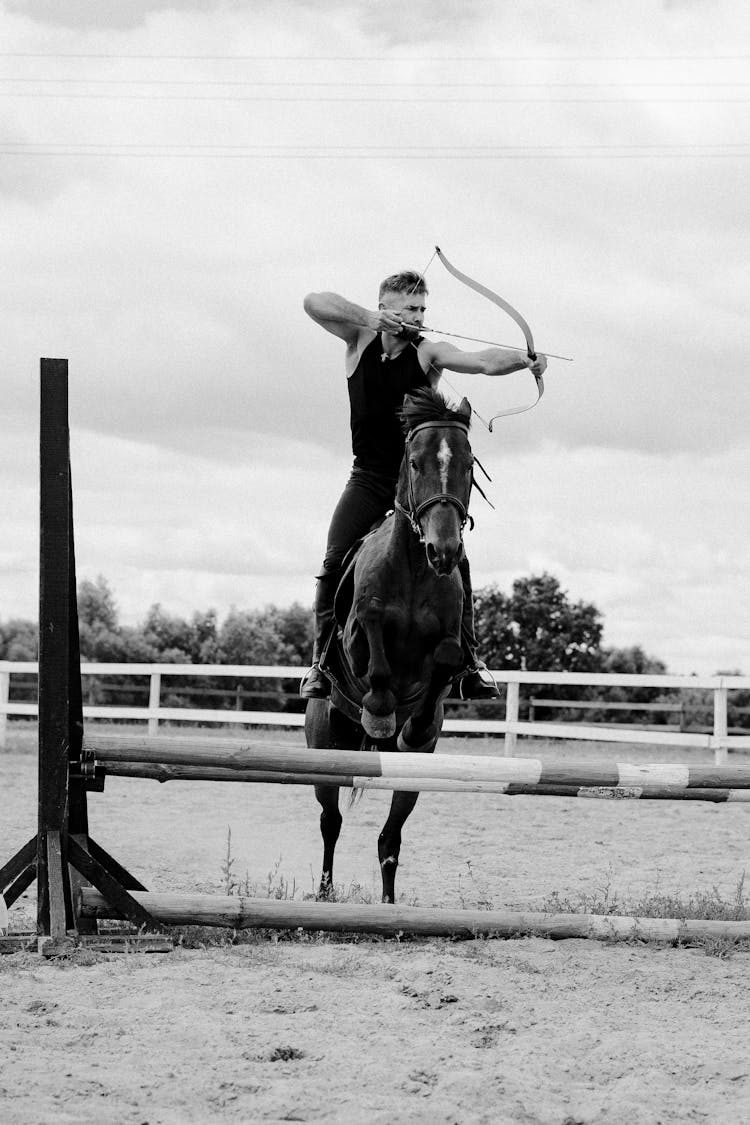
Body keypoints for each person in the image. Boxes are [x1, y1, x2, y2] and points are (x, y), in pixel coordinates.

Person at [299, 269, 547, 700]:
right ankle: (320, 663)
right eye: (410, 309)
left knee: (456, 560)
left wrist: (524, 360)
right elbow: (312, 301)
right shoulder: (359, 339)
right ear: (386, 309)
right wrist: (369, 319)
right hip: (371, 480)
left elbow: (482, 361)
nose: (418, 316)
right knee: (335, 558)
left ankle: (469, 662)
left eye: (422, 309)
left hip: (420, 485)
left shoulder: (427, 352)